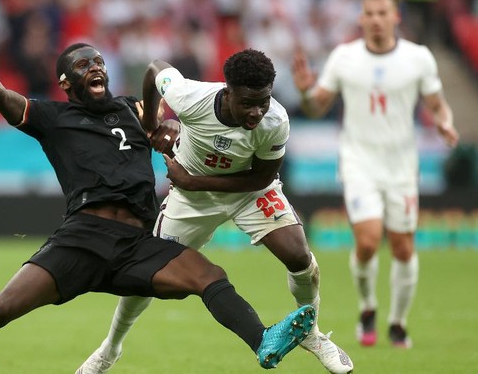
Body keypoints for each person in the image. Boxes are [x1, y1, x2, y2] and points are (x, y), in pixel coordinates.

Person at [0, 0, 316, 374]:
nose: (95, 66)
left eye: (98, 61)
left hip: (137, 244)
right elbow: (0, 95)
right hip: (83, 239)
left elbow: (168, 130)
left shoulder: (132, 111)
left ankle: (262, 342)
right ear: (65, 83)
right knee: (0, 310)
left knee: (209, 274)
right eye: (82, 64)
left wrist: (167, 135)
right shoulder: (52, 118)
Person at [76, 49, 354, 374]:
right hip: (192, 201)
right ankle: (110, 348)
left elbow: (262, 178)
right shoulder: (190, 97)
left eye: (263, 101)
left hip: (246, 191)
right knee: (145, 274)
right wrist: (150, 121)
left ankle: (313, 335)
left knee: (299, 256)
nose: (256, 112)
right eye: (247, 102)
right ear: (227, 91)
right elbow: (154, 69)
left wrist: (194, 181)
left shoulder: (275, 122)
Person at [291, 0, 459, 349]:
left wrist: (445, 121)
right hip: (358, 162)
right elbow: (317, 106)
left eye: (383, 13)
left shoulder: (418, 58)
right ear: (361, 17)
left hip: (401, 166)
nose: (376, 20)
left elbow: (436, 104)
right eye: (370, 14)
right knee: (367, 242)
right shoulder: (345, 57)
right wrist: (305, 89)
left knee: (402, 247)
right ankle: (368, 307)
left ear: (395, 16)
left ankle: (397, 322)